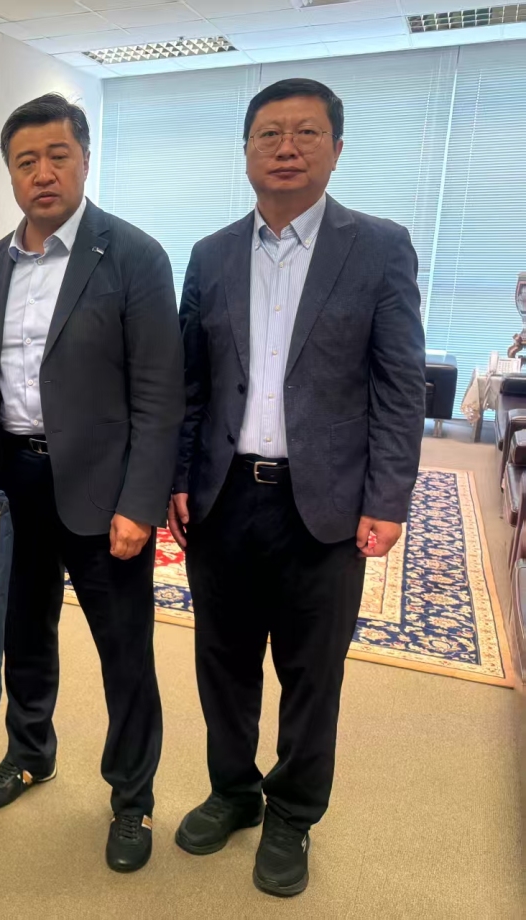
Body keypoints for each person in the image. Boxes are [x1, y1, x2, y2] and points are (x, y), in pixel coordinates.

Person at [167, 78, 426, 897]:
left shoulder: (379, 247)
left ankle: (292, 814)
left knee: (312, 673)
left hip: (326, 503)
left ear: (336, 149)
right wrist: (178, 476)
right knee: (223, 661)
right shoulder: (210, 254)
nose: (286, 147)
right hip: (223, 498)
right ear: (245, 151)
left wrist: (387, 497)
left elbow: (400, 384)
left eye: (306, 133)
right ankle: (234, 792)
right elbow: (192, 384)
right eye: (269, 133)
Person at [0, 94, 184, 873]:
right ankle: (30, 752)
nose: (43, 173)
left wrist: (140, 503)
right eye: (26, 161)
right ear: (10, 174)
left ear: (85, 158)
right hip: (12, 480)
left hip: (102, 490)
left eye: (58, 155)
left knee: (124, 653)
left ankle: (133, 797)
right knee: (23, 635)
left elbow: (159, 394)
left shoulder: (134, 256)